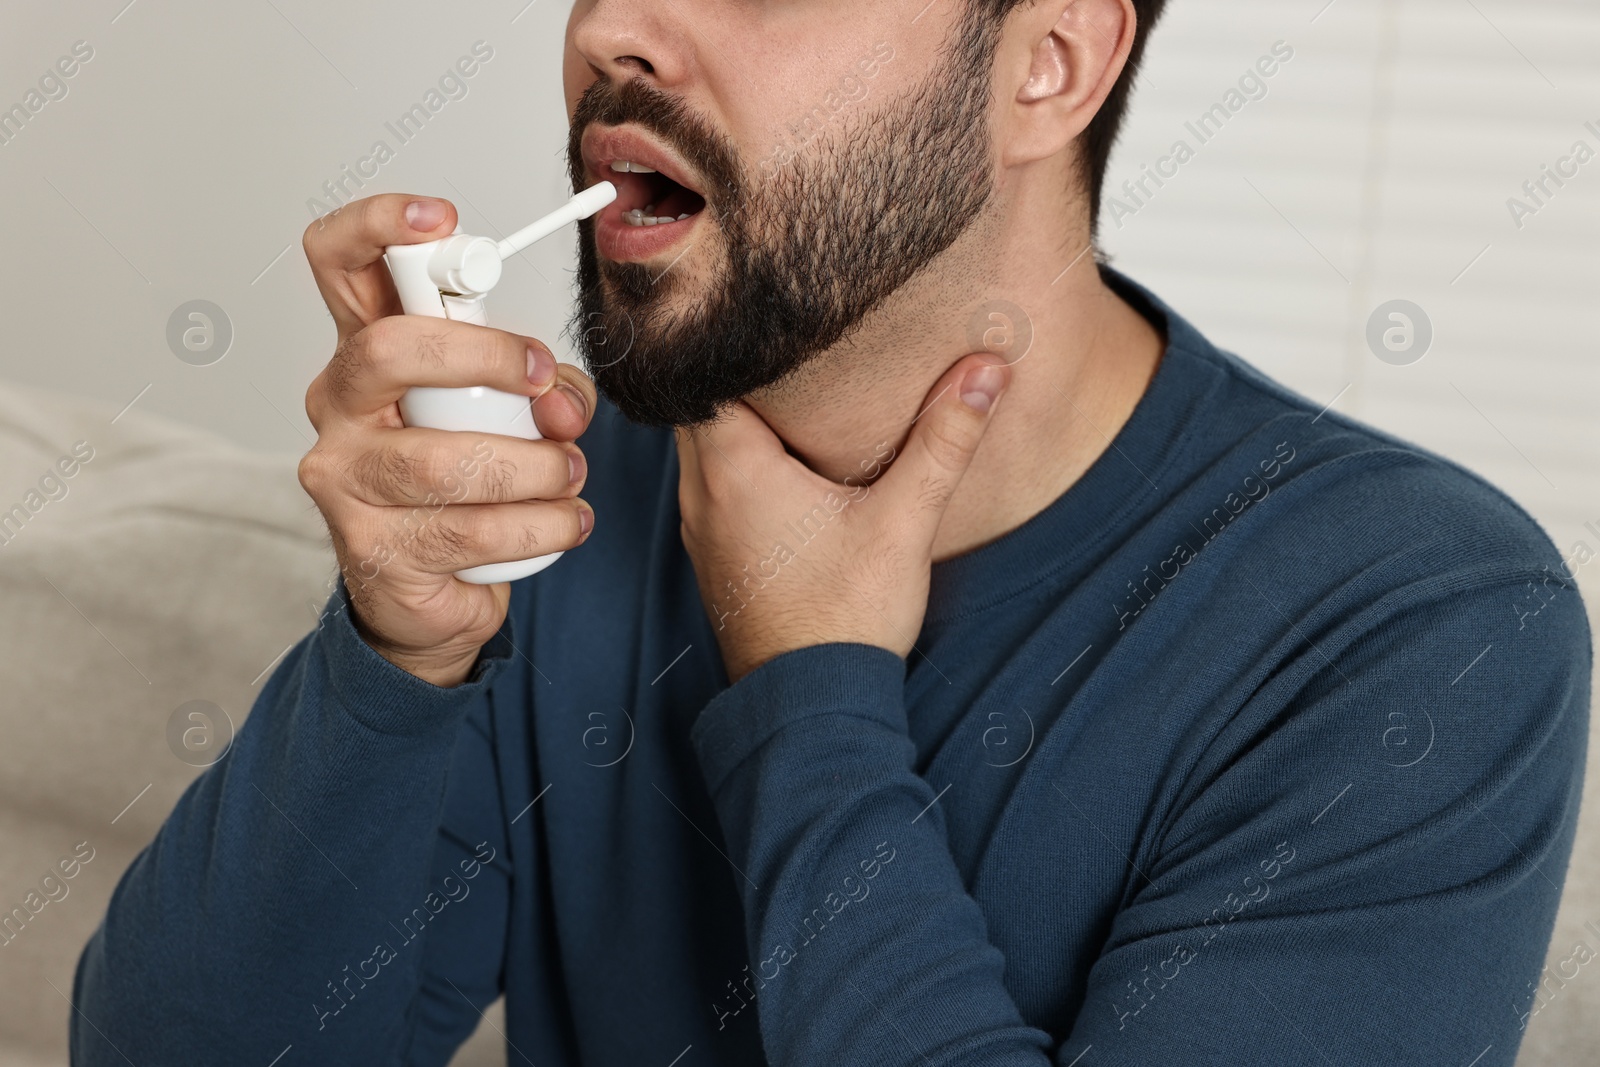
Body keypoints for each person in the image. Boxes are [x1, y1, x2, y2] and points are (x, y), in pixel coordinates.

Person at [75, 1, 1590, 1064]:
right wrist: (395, 651)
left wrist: (811, 695)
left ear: (1048, 64)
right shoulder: (563, 509)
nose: (612, 30)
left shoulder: (1424, 627)